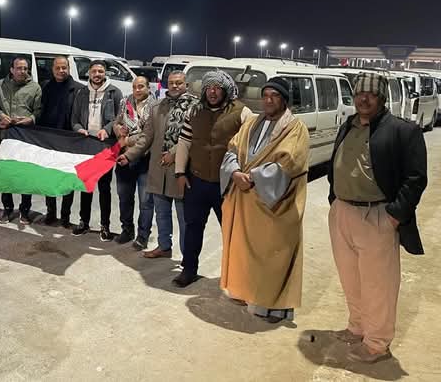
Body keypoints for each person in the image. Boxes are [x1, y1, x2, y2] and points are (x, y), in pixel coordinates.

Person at [327, 72, 427, 363]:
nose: (364, 99)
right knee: (351, 278)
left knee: (378, 284)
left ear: (382, 98)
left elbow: (415, 179)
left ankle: (377, 343)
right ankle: (357, 327)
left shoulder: (402, 130)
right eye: (360, 93)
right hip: (343, 212)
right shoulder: (348, 125)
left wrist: (394, 216)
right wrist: (335, 200)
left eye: (371, 94)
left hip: (377, 216)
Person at [219, 76, 310, 323]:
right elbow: (232, 148)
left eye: (275, 96)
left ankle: (275, 307)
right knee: (244, 253)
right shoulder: (251, 123)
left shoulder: (296, 128)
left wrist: (252, 177)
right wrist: (234, 172)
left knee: (274, 255)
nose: (269, 100)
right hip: (246, 201)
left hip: (275, 204)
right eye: (266, 95)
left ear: (284, 100)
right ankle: (246, 293)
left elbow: (289, 163)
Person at [173, 70, 253, 287]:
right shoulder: (194, 111)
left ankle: (237, 277)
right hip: (196, 181)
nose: (212, 92)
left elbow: (251, 146)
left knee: (232, 231)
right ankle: (189, 270)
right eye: (208, 88)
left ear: (225, 90)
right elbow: (184, 142)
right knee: (193, 227)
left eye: (217, 88)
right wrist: (180, 173)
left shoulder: (242, 112)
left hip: (227, 185)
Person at [119, 70, 193, 256]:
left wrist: (174, 154)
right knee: (161, 213)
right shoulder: (158, 106)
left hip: (182, 170)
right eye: (171, 82)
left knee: (185, 218)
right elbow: (147, 137)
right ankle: (164, 247)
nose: (174, 86)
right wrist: (129, 155)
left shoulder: (195, 107)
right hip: (159, 168)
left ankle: (188, 257)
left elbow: (195, 137)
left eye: (179, 83)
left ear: (186, 85)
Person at [71, 60, 122, 240]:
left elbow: (119, 118)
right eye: (94, 71)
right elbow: (74, 119)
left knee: (104, 187)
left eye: (100, 71)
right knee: (86, 185)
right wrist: (79, 129)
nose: (97, 74)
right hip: (86, 145)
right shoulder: (81, 93)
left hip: (105, 146)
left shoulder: (114, 92)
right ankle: (83, 222)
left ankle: (105, 225)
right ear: (89, 73)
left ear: (105, 73)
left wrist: (106, 130)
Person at [0, 56, 42, 224]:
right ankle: (7, 209)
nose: (22, 71)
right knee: (6, 173)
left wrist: (31, 119)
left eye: (25, 68)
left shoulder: (35, 88)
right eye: (19, 68)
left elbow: (39, 110)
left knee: (25, 174)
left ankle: (25, 210)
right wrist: (1, 115)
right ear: (11, 69)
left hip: (26, 136)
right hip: (6, 135)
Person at [38, 56, 83, 226]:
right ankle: (51, 212)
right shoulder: (45, 87)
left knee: (67, 180)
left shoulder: (78, 89)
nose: (61, 71)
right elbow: (40, 112)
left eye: (64, 67)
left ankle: (65, 216)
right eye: (57, 68)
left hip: (68, 141)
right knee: (49, 178)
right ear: (52, 69)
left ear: (69, 68)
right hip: (49, 141)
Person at [112, 76, 156, 244]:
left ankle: (143, 236)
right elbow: (116, 122)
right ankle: (127, 230)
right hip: (124, 158)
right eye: (135, 87)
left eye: (141, 86)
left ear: (148, 88)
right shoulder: (125, 102)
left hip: (145, 159)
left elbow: (149, 135)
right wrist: (118, 130)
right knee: (124, 198)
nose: (137, 90)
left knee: (146, 201)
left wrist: (128, 140)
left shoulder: (155, 106)